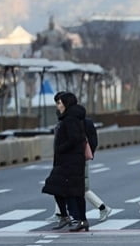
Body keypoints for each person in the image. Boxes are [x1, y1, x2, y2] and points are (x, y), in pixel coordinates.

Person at [46, 92, 112, 223]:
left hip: (77, 159)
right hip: (66, 159)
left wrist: (84, 154)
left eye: (59, 102)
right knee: (62, 185)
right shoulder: (64, 119)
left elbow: (86, 140)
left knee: (79, 188)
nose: (57, 106)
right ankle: (61, 214)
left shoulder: (79, 121)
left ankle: (101, 208)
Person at [42, 92, 89, 232]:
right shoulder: (71, 117)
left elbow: (74, 139)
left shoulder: (70, 119)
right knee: (65, 190)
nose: (57, 106)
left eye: (59, 103)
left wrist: (60, 148)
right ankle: (73, 218)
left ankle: (77, 219)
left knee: (66, 189)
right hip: (70, 160)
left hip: (70, 160)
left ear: (66, 104)